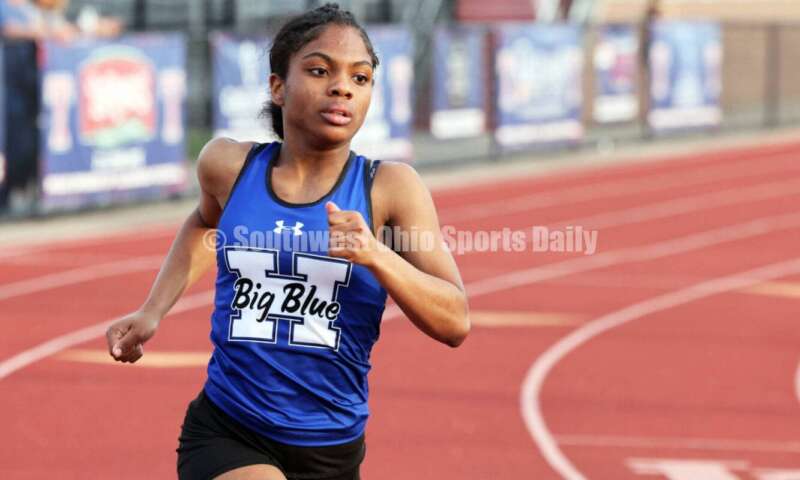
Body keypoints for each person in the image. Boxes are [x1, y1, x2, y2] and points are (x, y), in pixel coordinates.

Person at [104, 4, 470, 480]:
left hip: (332, 447)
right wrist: (152, 310)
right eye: (320, 71)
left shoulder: (391, 190)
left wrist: (376, 254)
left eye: (360, 79)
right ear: (278, 86)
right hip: (230, 427)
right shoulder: (228, 167)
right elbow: (204, 224)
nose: (342, 87)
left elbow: (455, 321)